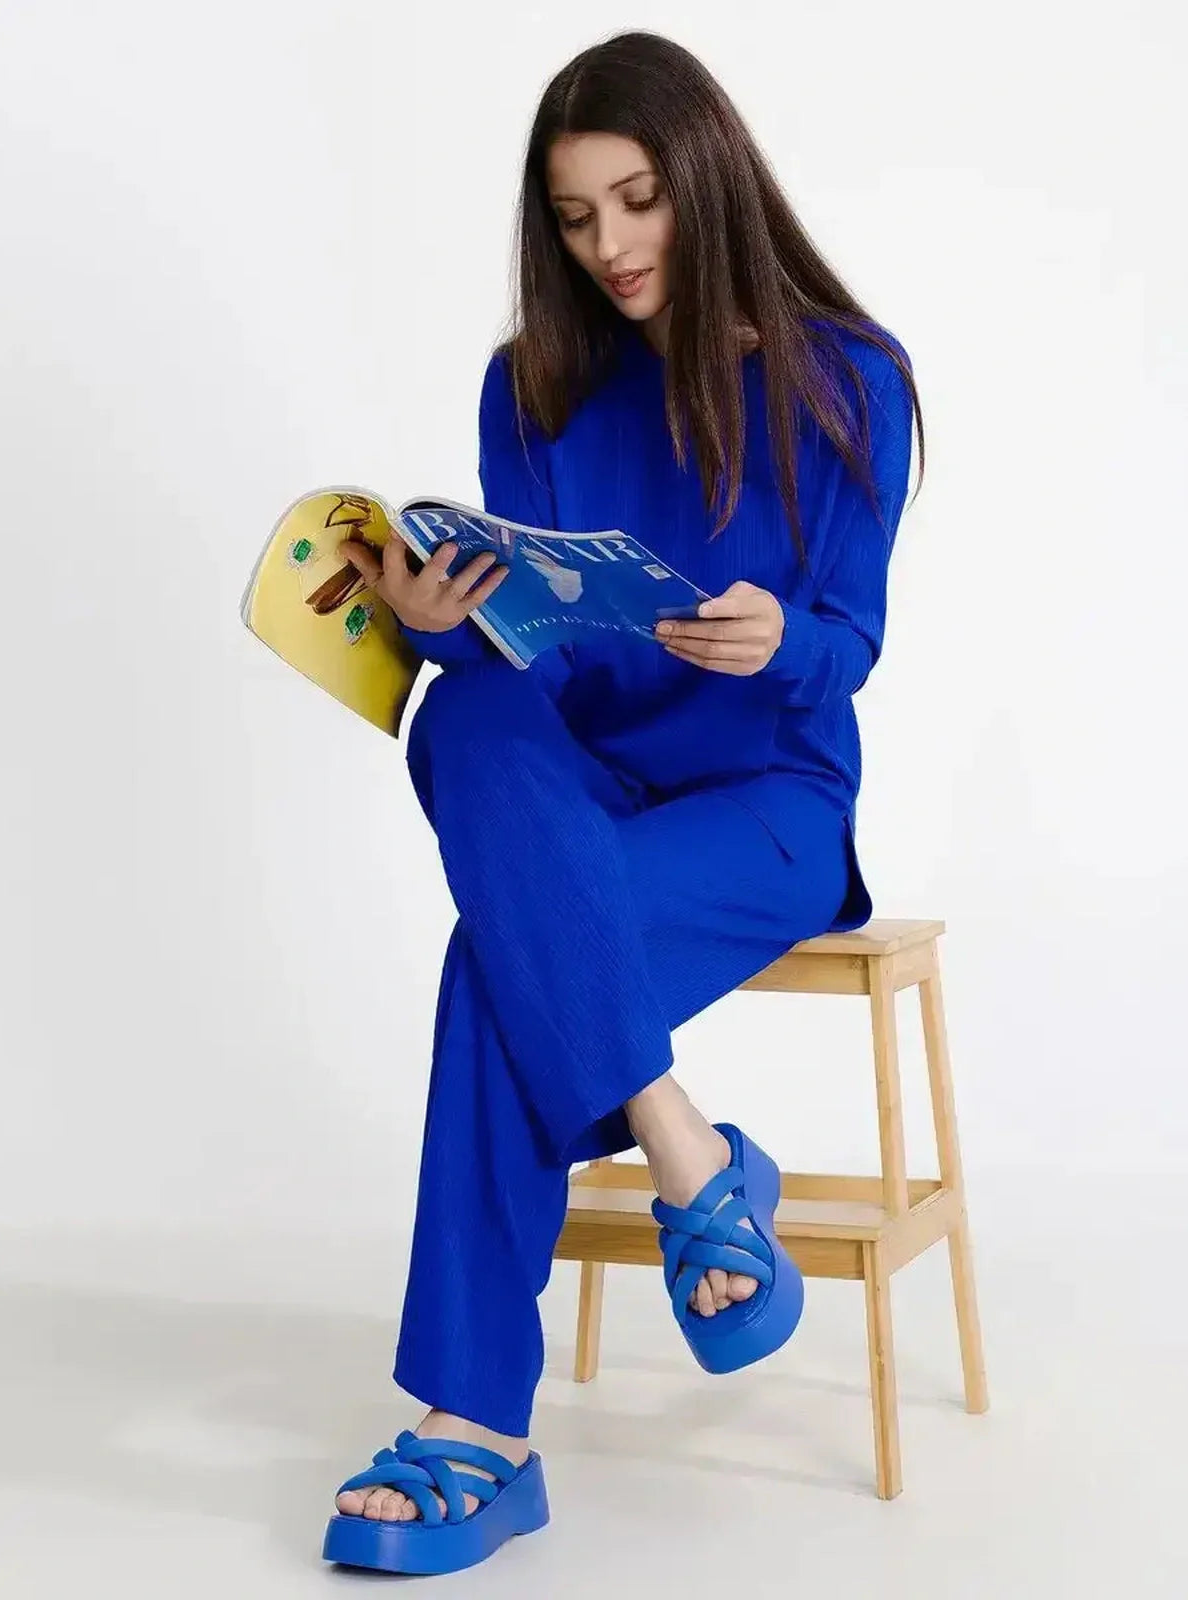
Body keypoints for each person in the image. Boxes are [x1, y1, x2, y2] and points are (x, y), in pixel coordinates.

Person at [322, 28, 923, 1577]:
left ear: (705, 178)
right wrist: (450, 619)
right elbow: (546, 662)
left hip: (767, 802)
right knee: (466, 712)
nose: (608, 247)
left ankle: (475, 1429)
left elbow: (848, 644)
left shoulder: (848, 380)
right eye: (577, 217)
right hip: (587, 790)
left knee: (497, 966)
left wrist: (788, 641)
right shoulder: (531, 389)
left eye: (636, 201)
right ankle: (690, 1162)